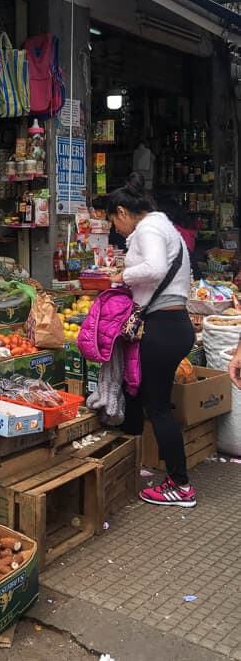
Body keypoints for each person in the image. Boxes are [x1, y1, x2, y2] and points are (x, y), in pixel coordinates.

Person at [107, 173, 196, 508]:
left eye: (114, 221)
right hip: (171, 325)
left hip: (164, 326)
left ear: (122, 211)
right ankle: (135, 462)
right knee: (142, 394)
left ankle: (180, 485)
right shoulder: (160, 227)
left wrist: (122, 276)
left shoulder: (149, 229)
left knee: (157, 406)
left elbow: (155, 267)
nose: (116, 229)